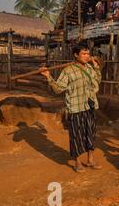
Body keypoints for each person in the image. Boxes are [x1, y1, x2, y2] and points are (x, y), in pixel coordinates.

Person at [39, 44, 102, 173]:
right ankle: (77, 162)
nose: (87, 56)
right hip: (75, 107)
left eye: (88, 54)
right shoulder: (68, 71)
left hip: (89, 105)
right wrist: (48, 77)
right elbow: (58, 89)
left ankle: (90, 160)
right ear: (75, 55)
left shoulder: (90, 68)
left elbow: (97, 82)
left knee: (90, 133)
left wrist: (96, 68)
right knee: (76, 135)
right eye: (83, 54)